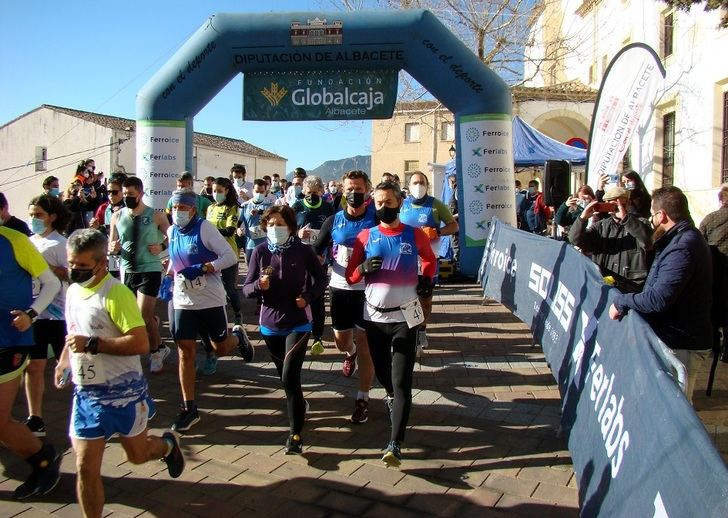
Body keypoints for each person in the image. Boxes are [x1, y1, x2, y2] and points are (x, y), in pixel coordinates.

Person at [58, 229, 184, 517]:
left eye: (82, 266)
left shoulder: (116, 294)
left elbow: (140, 342)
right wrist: (64, 360)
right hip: (86, 395)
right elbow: (73, 332)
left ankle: (166, 446)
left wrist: (93, 344)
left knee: (137, 456)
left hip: (123, 395)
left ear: (102, 263)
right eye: (71, 264)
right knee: (85, 467)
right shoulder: (74, 291)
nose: (75, 270)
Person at [346, 181, 437, 467]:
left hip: (405, 318)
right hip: (374, 318)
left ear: (399, 202)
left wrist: (425, 280)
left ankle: (395, 443)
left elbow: (430, 261)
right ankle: (389, 396)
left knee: (401, 383)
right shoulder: (365, 236)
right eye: (379, 203)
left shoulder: (415, 235)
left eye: (389, 202)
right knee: (384, 377)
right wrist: (361, 269)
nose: (383, 207)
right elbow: (350, 276)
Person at [610, 187, 712, 402]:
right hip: (676, 337)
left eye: (653, 215)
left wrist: (622, 301)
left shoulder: (682, 246)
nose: (652, 220)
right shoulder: (679, 240)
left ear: (662, 215)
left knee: (673, 408)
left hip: (681, 343)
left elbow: (657, 299)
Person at [242, 205, 327, 454]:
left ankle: (295, 435)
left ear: (290, 227)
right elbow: (246, 288)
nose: (274, 229)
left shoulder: (302, 251)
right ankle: (300, 404)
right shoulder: (259, 252)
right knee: (285, 380)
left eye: (280, 224)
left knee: (291, 376)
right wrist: (259, 284)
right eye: (270, 224)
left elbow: (321, 279)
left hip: (298, 322)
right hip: (270, 325)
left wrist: (308, 297)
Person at [166, 189, 254, 432]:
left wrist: (206, 267)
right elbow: (175, 258)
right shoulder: (172, 231)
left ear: (193, 209)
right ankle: (188, 407)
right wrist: (168, 275)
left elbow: (229, 256)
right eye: (175, 208)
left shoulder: (204, 228)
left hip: (210, 298)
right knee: (185, 352)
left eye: (183, 208)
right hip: (183, 299)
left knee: (219, 348)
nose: (178, 212)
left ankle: (237, 337)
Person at [1, 217, 62, 500]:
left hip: (10, 341)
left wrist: (32, 314)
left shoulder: (15, 241)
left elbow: (51, 283)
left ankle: (43, 458)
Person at [313, 170, 377, 423]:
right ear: (342, 190)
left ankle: (362, 398)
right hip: (339, 287)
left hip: (368, 289)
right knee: (342, 341)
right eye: (349, 189)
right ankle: (347, 353)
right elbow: (317, 251)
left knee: (365, 346)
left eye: (358, 189)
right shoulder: (334, 220)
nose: (353, 193)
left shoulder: (376, 218)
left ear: (367, 190)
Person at [109, 176, 170, 373]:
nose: (127, 197)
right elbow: (112, 245)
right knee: (133, 315)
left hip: (150, 269)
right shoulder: (116, 216)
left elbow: (173, 237)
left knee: (144, 315)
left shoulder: (156, 216)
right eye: (124, 194)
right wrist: (113, 247)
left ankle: (155, 352)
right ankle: (160, 345)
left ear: (141, 194)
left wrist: (161, 246)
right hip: (127, 270)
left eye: (131, 194)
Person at [24, 195, 71, 437]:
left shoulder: (60, 243)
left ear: (52, 217)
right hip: (36, 314)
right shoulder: (28, 242)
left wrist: (47, 268)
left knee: (74, 367)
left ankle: (90, 412)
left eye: (39, 215)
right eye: (31, 215)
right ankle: (36, 418)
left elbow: (72, 275)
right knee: (34, 366)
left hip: (60, 315)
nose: (34, 219)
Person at [398, 171, 458, 350]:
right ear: (409, 186)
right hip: (405, 259)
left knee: (425, 298)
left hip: (428, 260)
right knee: (408, 297)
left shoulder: (435, 205)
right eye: (415, 183)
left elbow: (454, 226)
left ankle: (422, 329)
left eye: (422, 182)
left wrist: (437, 232)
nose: (418, 186)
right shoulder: (402, 204)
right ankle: (412, 331)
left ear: (427, 185)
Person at [569, 185, 653, 292]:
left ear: (628, 204)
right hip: (605, 286)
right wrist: (582, 219)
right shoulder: (600, 227)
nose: (618, 208)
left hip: (630, 287)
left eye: (621, 204)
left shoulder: (641, 223)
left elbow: (649, 241)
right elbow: (575, 240)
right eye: (613, 205)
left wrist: (626, 219)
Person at [292, 176, 334, 353]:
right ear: (303, 192)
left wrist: (326, 254)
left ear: (322, 192)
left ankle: (318, 336)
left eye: (316, 193)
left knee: (316, 297)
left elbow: (332, 233)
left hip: (319, 260)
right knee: (298, 293)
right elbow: (287, 228)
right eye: (308, 193)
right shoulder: (297, 206)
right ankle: (297, 330)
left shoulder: (327, 207)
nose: (312, 196)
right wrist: (297, 233)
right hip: (298, 258)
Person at [206, 177, 243, 324]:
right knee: (211, 287)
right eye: (214, 191)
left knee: (229, 288)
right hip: (211, 253)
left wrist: (210, 230)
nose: (216, 193)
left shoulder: (232, 208)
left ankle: (238, 314)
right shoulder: (211, 208)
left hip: (228, 253)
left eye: (219, 191)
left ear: (227, 191)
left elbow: (229, 231)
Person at [699, 184, 728, 361]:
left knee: (714, 306)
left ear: (720, 200)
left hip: (715, 270)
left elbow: (700, 242)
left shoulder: (710, 218)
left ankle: (714, 344)